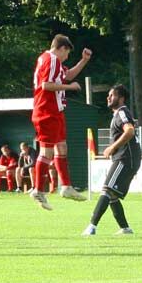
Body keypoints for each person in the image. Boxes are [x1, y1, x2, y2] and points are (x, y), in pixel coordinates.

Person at [30, 34, 93, 209]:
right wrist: (70, 88)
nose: (66, 58)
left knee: (62, 147)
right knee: (47, 152)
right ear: (62, 48)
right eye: (66, 54)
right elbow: (46, 85)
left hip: (55, 111)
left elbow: (68, 74)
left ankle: (66, 186)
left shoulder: (49, 60)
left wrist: (83, 61)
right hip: (46, 111)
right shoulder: (51, 60)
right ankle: (37, 190)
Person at [84, 85, 141, 236]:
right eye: (108, 95)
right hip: (126, 158)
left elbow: (129, 130)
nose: (108, 98)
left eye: (112, 95)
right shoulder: (117, 114)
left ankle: (91, 226)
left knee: (107, 190)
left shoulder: (122, 112)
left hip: (125, 158)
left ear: (121, 98)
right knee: (112, 194)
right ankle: (125, 228)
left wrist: (112, 147)